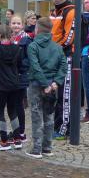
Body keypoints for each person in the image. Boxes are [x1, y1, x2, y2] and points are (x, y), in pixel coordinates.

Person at [26, 17, 67, 159]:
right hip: (52, 84)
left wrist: (45, 85)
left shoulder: (33, 46)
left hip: (37, 84)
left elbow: (35, 67)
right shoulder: (57, 47)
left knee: (37, 116)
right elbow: (63, 66)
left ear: (37, 29)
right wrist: (55, 83)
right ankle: (47, 147)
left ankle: (37, 148)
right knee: (49, 116)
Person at [0, 24, 24, 151]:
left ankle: (4, 141)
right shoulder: (17, 48)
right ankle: (17, 139)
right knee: (12, 111)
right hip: (14, 84)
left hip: (1, 85)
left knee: (0, 111)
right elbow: (20, 66)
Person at [49, 0, 76, 139]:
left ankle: (64, 129)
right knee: (57, 93)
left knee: (64, 94)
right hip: (56, 56)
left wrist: (54, 49)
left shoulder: (70, 11)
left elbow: (69, 37)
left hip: (66, 57)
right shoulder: (54, 12)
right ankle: (58, 125)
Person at [9, 13, 32, 146]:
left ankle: (21, 132)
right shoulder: (10, 38)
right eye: (14, 23)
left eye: (18, 23)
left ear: (22, 25)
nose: (16, 26)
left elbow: (28, 59)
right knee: (11, 104)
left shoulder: (26, 39)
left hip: (20, 76)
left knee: (19, 105)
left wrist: (18, 66)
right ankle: (15, 130)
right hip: (10, 76)